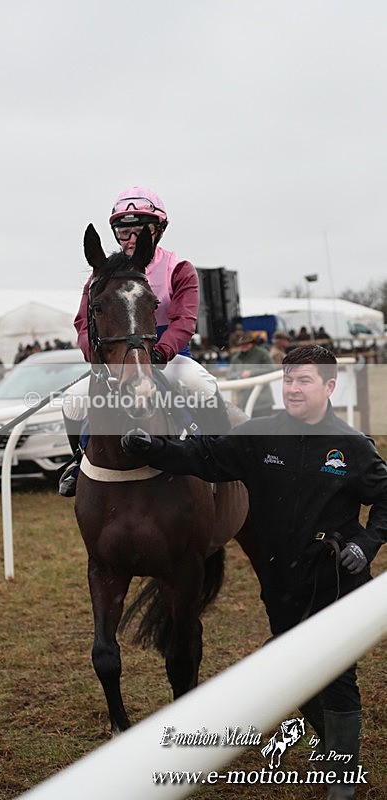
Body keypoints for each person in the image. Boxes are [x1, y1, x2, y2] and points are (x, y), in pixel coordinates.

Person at [121, 344, 387, 799]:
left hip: (334, 584)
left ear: (328, 386)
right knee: (293, 676)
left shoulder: (353, 447)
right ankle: (334, 745)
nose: (293, 388)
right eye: (287, 379)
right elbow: (204, 456)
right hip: (280, 583)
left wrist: (365, 544)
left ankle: (343, 781)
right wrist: (155, 449)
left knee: (338, 679)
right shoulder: (261, 435)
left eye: (304, 380)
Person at [58, 185, 229, 496]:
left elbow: (185, 321)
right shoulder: (99, 276)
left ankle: (221, 454)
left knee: (201, 384)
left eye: (140, 229)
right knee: (73, 400)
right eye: (124, 231)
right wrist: (96, 356)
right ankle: (79, 460)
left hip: (166, 355)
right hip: (116, 358)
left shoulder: (179, 269)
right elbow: (83, 322)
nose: (132, 238)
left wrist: (158, 353)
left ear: (157, 230)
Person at [227, 331, 276, 417]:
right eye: (242, 344)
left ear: (252, 343)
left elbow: (271, 368)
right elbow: (229, 376)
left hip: (262, 402)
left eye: (247, 343)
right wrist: (240, 375)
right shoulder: (236, 358)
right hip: (243, 401)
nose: (244, 346)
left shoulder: (262, 353)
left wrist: (251, 373)